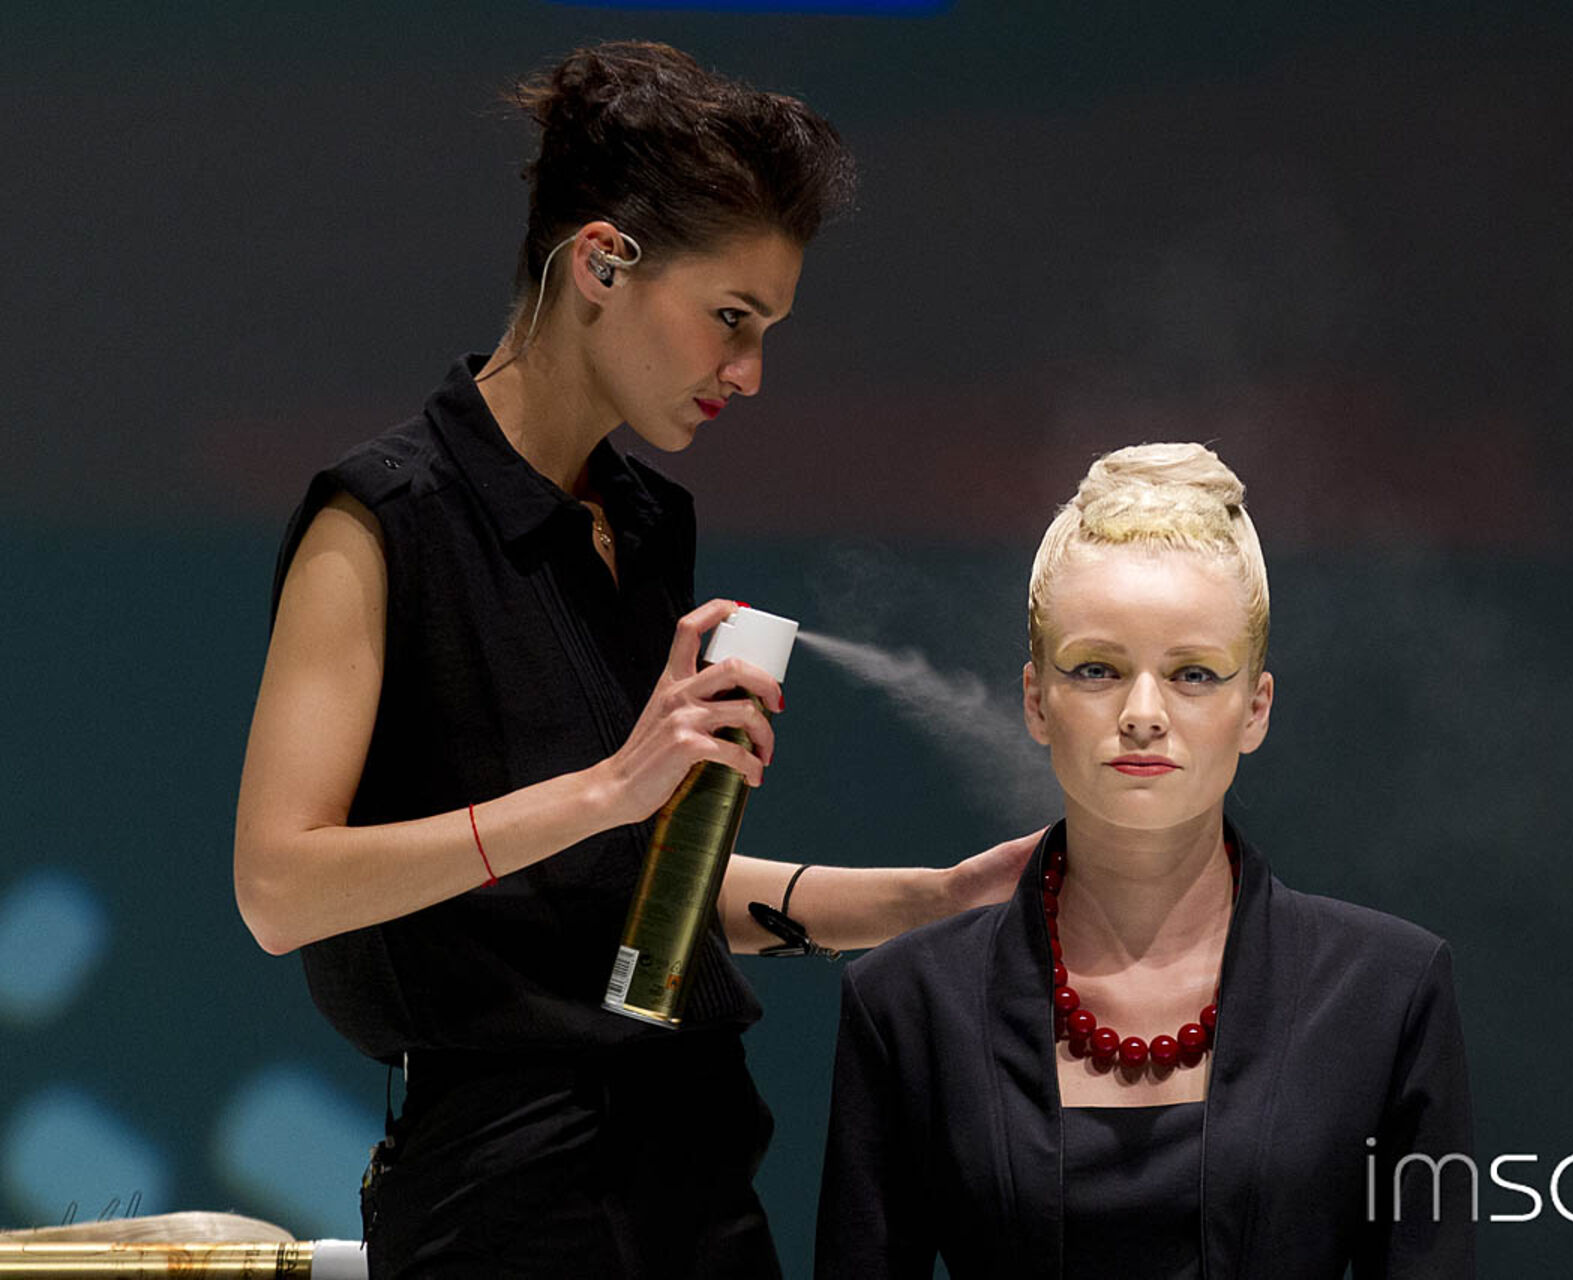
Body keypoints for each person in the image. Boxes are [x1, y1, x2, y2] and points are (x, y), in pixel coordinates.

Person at [232, 41, 1028, 1278]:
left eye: (766, 331)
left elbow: (632, 894)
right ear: (602, 262)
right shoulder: (382, 518)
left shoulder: (648, 524)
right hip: (506, 1205)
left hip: (699, 1174)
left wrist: (936, 899)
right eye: (731, 319)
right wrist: (609, 787)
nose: (749, 373)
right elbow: (279, 888)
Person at [815, 444, 1475, 1279]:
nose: (1143, 713)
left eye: (1193, 674)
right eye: (1097, 669)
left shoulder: (1385, 993)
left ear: (1256, 708)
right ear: (1036, 700)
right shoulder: (908, 1003)